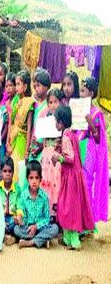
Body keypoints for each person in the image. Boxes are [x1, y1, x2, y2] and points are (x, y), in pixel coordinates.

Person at [53, 105, 94, 250]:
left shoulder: (65, 137)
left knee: (67, 207)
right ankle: (68, 238)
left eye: (56, 121)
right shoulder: (73, 135)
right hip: (76, 176)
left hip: (69, 177)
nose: (55, 124)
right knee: (74, 206)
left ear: (61, 122)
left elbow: (69, 158)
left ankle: (72, 240)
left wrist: (58, 157)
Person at [77, 78, 109, 226]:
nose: (81, 93)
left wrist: (91, 124)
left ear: (91, 93)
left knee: (87, 183)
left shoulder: (96, 113)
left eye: (83, 91)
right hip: (77, 147)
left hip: (89, 150)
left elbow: (98, 138)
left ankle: (88, 221)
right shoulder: (77, 109)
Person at [14, 160, 59, 249]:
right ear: (27, 179)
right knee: (16, 229)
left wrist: (36, 226)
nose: (34, 181)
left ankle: (30, 242)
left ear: (40, 179)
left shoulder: (44, 197)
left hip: (40, 228)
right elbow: (20, 210)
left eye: (36, 178)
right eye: (31, 178)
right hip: (27, 228)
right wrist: (19, 218)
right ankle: (42, 240)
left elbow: (46, 218)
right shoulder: (23, 195)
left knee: (55, 228)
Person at [39, 88, 64, 219]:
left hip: (56, 156)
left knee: (56, 184)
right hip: (45, 156)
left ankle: (56, 215)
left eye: (56, 102)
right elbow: (42, 140)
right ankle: (47, 213)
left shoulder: (62, 121)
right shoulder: (45, 119)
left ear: (60, 102)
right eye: (50, 102)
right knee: (45, 183)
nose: (53, 105)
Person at [7, 70, 34, 182]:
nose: (16, 87)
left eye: (18, 84)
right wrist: (8, 141)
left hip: (22, 141)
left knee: (19, 173)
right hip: (13, 140)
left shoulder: (29, 103)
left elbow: (29, 130)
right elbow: (11, 123)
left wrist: (27, 151)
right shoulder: (15, 101)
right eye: (16, 84)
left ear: (25, 86)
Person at [29, 68, 51, 162]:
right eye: (34, 86)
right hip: (33, 145)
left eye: (38, 85)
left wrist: (41, 146)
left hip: (43, 146)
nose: (35, 88)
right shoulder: (35, 104)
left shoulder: (49, 106)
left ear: (46, 87)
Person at [0, 157, 21, 246]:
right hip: (1, 219)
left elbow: (20, 205)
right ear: (1, 172)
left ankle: (6, 236)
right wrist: (0, 220)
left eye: (9, 171)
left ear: (13, 173)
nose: (7, 174)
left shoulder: (17, 188)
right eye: (5, 171)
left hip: (12, 220)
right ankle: (11, 237)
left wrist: (18, 216)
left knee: (17, 228)